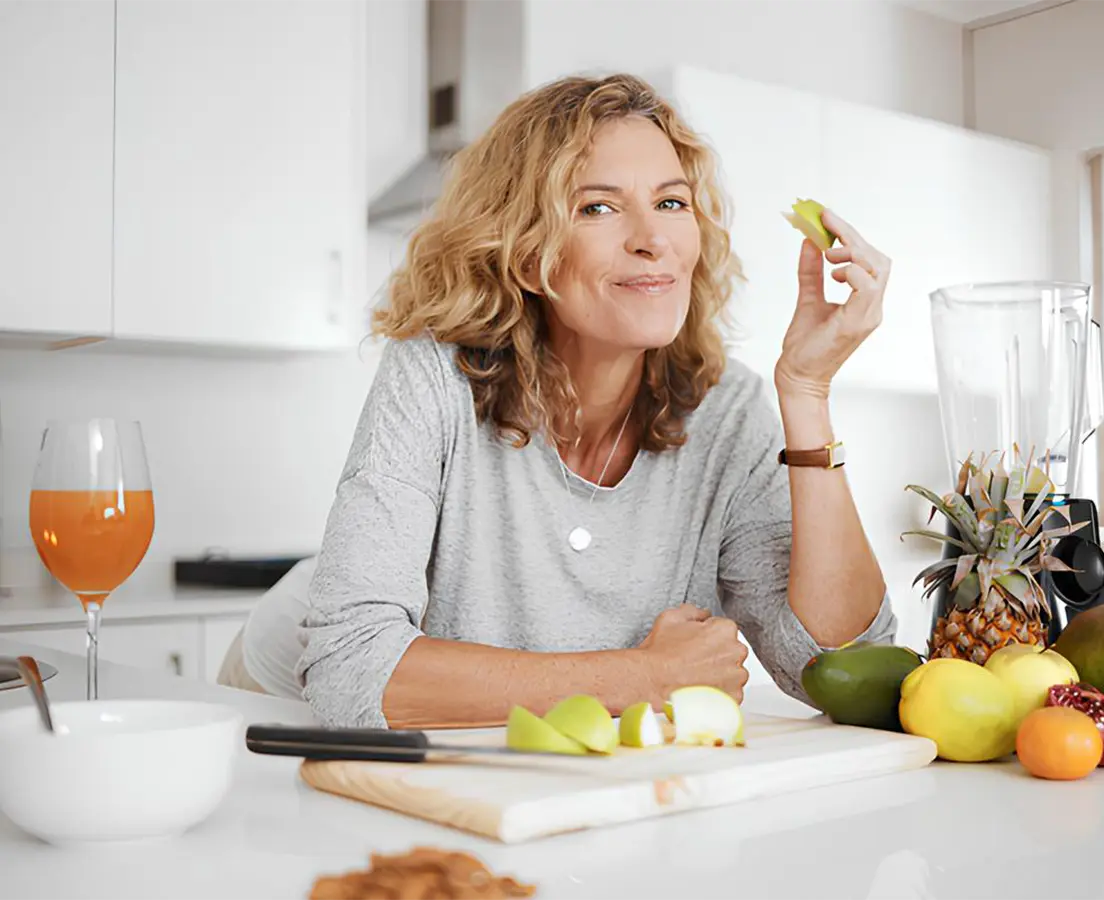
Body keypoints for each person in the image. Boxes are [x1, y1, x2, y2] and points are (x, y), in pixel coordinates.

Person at [295, 72, 896, 730]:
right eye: (599, 208)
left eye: (671, 203)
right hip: (277, 688)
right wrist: (645, 677)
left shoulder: (727, 412)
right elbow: (347, 669)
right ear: (526, 255)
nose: (652, 238)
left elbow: (847, 669)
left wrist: (806, 395)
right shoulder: (433, 375)